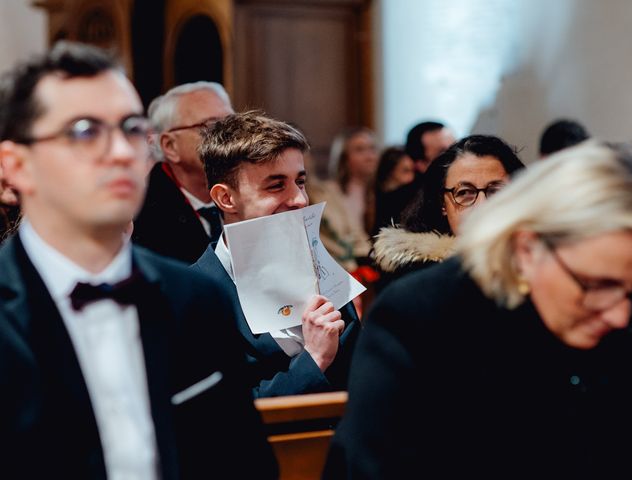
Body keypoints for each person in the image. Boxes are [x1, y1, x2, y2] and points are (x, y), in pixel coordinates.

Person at [0, 42, 277, 479]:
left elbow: (241, 463)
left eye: (131, 129)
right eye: (85, 131)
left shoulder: (195, 299)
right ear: (15, 166)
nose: (122, 153)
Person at [324, 141, 632, 479]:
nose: (619, 315)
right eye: (595, 286)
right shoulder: (420, 318)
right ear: (528, 250)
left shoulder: (620, 323)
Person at [192, 111, 361, 398]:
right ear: (226, 198)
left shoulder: (323, 270)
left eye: (300, 181)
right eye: (276, 185)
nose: (300, 200)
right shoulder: (193, 295)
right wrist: (314, 359)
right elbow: (224, 413)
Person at [373, 135, 524, 289]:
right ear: (442, 204)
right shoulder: (414, 279)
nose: (482, 205)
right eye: (464, 192)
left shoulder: (537, 264)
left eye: (495, 191)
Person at [132, 81, 234, 263]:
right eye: (211, 127)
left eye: (232, 124)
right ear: (170, 146)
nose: (229, 137)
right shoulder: (139, 213)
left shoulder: (250, 191)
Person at [372, 145, 415, 234]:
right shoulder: (375, 199)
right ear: (390, 172)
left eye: (412, 171)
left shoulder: (409, 195)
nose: (412, 177)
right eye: (405, 171)